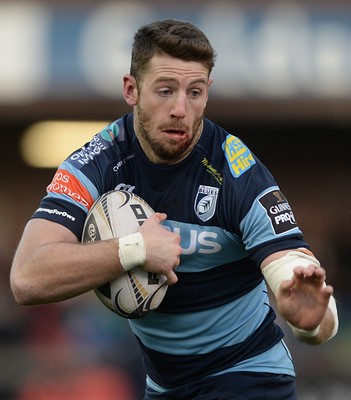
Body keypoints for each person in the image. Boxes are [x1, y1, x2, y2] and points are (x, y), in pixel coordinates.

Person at [10, 19, 338, 400]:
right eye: (165, 90)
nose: (180, 109)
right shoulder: (95, 163)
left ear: (207, 93)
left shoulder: (236, 170)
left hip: (248, 374)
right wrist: (134, 249)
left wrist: (313, 324)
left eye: (194, 92)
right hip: (164, 387)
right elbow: (27, 278)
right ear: (131, 89)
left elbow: (293, 269)